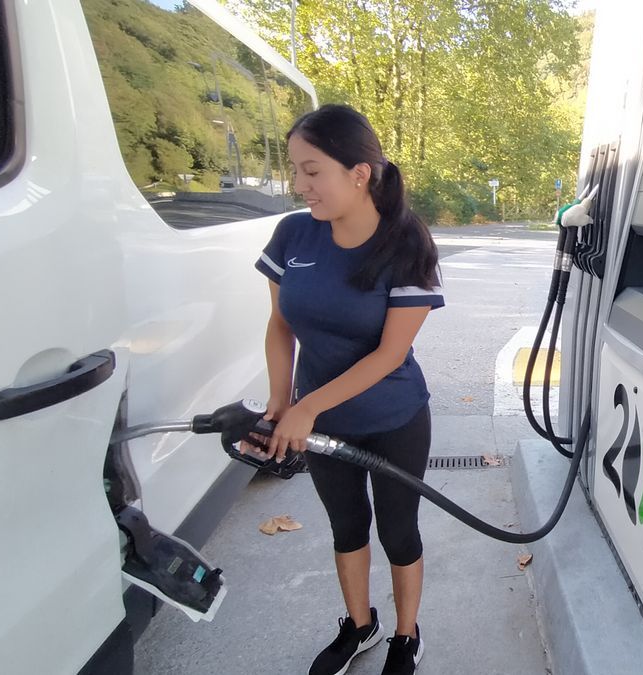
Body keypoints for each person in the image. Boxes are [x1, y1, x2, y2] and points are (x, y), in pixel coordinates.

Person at [246, 104, 443, 675]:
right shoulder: (294, 234)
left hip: (393, 417)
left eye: (312, 171)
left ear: (359, 173)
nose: (299, 185)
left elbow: (390, 354)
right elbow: (281, 325)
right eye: (295, 171)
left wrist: (306, 407)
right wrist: (280, 403)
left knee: (399, 531)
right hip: (319, 419)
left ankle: (407, 635)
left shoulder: (406, 243)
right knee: (347, 527)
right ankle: (361, 626)